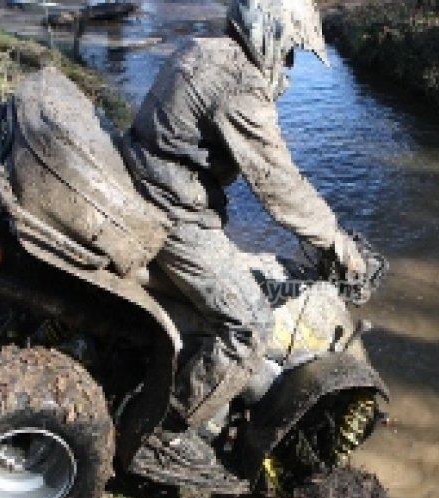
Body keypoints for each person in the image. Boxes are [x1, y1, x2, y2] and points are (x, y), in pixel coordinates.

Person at [122, 0, 365, 459]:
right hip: (171, 209)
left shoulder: (206, 47)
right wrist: (336, 240)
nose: (289, 63)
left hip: (147, 178)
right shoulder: (241, 83)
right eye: (290, 50)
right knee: (251, 325)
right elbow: (277, 184)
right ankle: (165, 431)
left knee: (237, 275)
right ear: (269, 31)